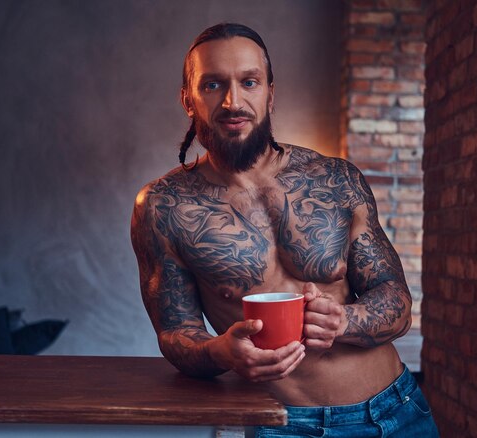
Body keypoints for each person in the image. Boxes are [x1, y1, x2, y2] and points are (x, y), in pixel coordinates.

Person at [131, 22, 439, 437]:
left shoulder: (336, 179)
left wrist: (344, 321)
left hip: (393, 413)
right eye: (213, 85)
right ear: (188, 99)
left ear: (270, 94)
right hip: (280, 426)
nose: (232, 101)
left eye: (249, 82)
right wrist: (223, 351)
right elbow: (174, 334)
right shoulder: (163, 206)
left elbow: (397, 301)